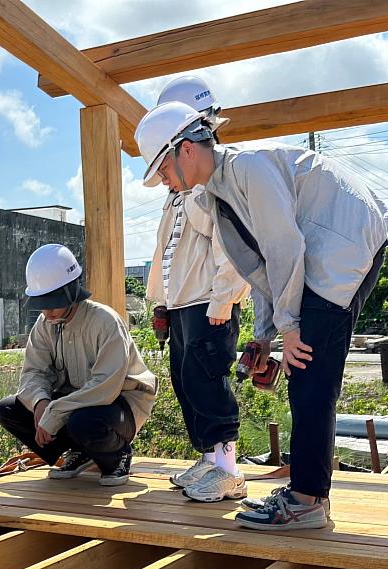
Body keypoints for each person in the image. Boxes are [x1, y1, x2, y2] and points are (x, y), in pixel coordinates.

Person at [135, 100, 388, 530]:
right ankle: (306, 492)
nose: (162, 180)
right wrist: (265, 335)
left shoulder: (249, 169)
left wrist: (290, 328)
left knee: (309, 370)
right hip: (325, 250)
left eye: (162, 168)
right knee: (303, 371)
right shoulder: (219, 195)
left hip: (345, 241)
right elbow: (259, 268)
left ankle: (308, 500)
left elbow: (285, 248)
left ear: (185, 149)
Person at [144, 76, 250, 503]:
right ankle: (210, 460)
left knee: (207, 378)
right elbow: (166, 253)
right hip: (186, 303)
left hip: (210, 303)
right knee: (186, 378)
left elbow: (232, 246)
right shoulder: (182, 187)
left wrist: (224, 298)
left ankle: (227, 468)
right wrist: (163, 304)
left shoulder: (213, 181)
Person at [0, 244, 157, 486]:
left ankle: (118, 455)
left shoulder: (105, 322)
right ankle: (80, 451)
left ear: (72, 291)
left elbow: (105, 388)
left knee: (84, 422)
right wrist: (40, 402)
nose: (47, 310)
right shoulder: (44, 325)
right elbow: (33, 373)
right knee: (9, 409)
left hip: (117, 406)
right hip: (73, 405)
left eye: (53, 301)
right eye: (42, 302)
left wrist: (55, 411)